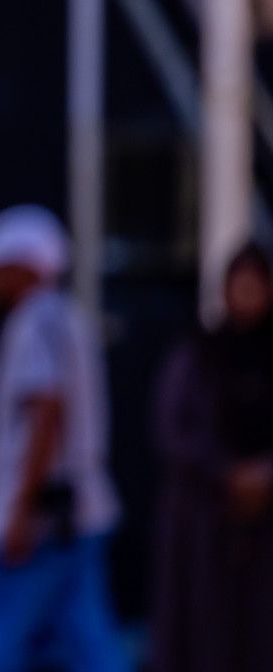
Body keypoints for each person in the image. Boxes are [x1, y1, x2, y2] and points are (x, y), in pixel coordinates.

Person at [0, 205, 128, 672]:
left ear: (25, 268)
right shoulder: (67, 316)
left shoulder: (34, 321)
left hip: (43, 520)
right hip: (77, 515)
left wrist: (20, 511)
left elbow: (46, 412)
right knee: (91, 644)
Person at [151, 242, 273, 672]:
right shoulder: (198, 352)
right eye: (238, 286)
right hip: (206, 514)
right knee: (204, 623)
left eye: (256, 286)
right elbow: (174, 426)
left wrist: (263, 475)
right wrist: (225, 472)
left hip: (265, 513)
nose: (246, 295)